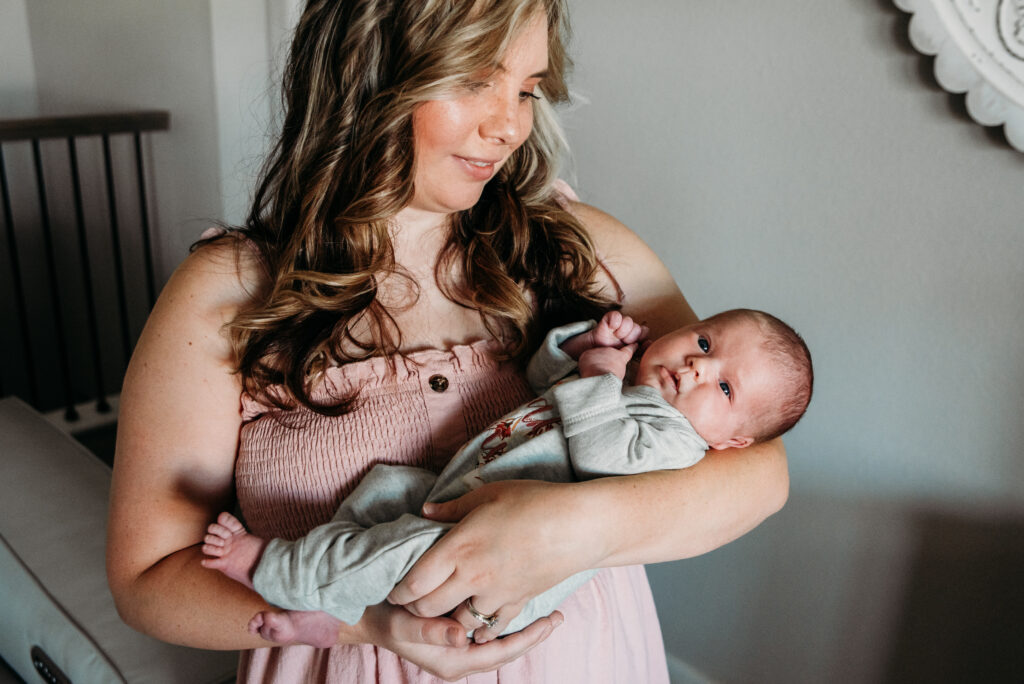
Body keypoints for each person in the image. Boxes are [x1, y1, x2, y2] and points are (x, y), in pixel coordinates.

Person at [106, 1, 791, 682]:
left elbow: (760, 472)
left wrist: (566, 529)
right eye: (473, 80)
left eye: (527, 90)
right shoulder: (226, 291)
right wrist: (367, 622)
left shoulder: (578, 248)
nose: (509, 126)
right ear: (367, 74)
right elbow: (147, 582)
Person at [199, 308, 812, 648]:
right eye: (704, 341)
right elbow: (541, 383)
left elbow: (605, 458)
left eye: (726, 387)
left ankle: (276, 571)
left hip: (491, 565)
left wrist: (599, 371)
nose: (698, 367)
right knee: (385, 487)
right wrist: (580, 347)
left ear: (732, 441)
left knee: (400, 550)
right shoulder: (628, 380)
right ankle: (333, 612)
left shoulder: (673, 441)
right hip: (457, 497)